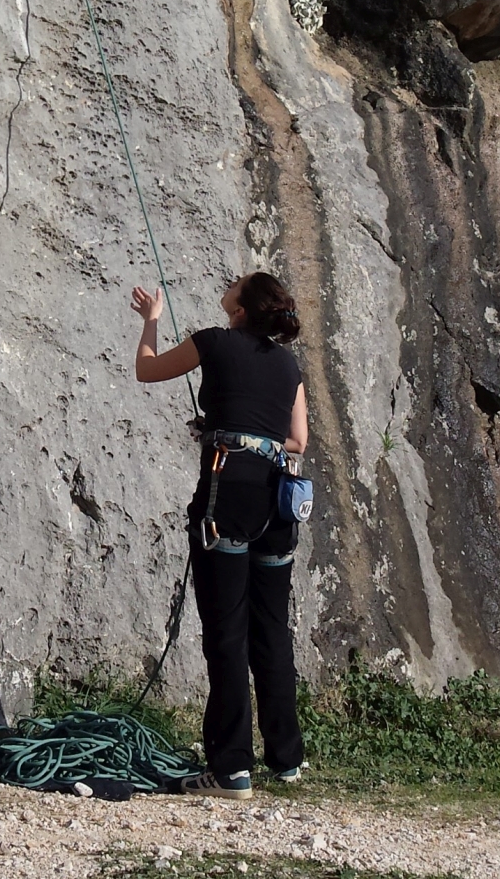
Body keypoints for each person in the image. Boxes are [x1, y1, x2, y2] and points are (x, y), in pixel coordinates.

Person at [131, 271, 308, 799]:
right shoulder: (288, 364)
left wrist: (151, 321)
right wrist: (240, 429)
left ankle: (231, 769)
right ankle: (286, 760)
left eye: (236, 283)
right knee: (271, 629)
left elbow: (147, 370)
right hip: (278, 500)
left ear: (241, 307)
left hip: (227, 496)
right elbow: (297, 439)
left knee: (227, 632)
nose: (228, 284)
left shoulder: (213, 340)